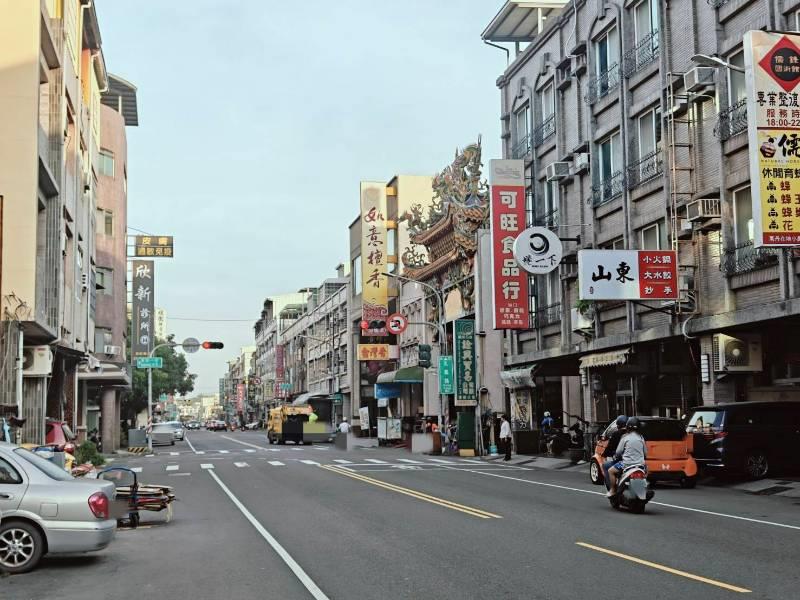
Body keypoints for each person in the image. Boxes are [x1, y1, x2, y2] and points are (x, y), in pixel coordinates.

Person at [606, 417, 647, 497]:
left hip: (626, 464)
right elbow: (645, 453)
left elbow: (618, 452)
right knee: (646, 471)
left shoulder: (625, 437)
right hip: (640, 465)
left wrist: (616, 456)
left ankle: (612, 490)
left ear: (628, 426)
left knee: (610, 471)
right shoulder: (641, 437)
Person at [602, 415, 628, 490]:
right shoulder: (638, 435)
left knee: (606, 466)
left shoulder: (617, 434)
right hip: (639, 463)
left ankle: (612, 489)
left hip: (624, 462)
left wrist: (609, 454)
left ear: (618, 425)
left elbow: (616, 451)